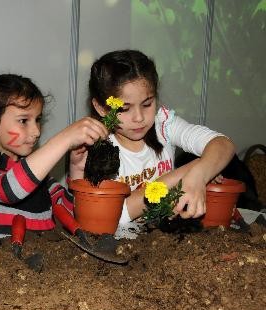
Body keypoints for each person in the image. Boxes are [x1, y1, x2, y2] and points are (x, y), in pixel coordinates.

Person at [70, 49, 235, 236]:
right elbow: (116, 213)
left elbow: (223, 144)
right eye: (124, 108)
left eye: (147, 104)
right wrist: (192, 170)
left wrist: (199, 174)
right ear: (101, 108)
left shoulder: (163, 125)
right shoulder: (98, 146)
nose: (139, 117)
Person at [0, 74, 108, 242]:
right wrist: (64, 139)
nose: (36, 132)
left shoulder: (38, 177)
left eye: (37, 120)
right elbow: (7, 189)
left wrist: (77, 170)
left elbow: (72, 211)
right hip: (0, 266)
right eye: (23, 120)